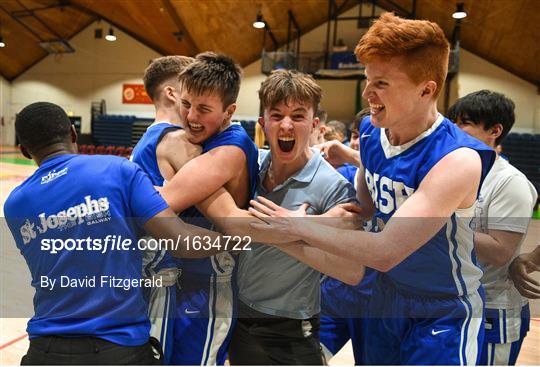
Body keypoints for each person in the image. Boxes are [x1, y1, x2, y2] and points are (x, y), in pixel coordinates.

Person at [249, 12, 496, 365]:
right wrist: (312, 220)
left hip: (440, 308)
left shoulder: (458, 160)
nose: (367, 93)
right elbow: (363, 211)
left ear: (426, 89)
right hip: (381, 298)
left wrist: (294, 227)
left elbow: (386, 250)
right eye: (367, 79)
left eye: (381, 83)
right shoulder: (370, 132)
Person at [3, 102, 234, 365]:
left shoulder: (14, 205)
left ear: (23, 150)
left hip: (45, 350)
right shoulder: (117, 171)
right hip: (119, 347)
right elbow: (181, 242)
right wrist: (237, 240)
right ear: (73, 133)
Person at [225, 69, 363, 365]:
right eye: (276, 115)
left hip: (293, 327)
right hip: (240, 318)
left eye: (298, 116)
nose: (286, 125)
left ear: (314, 124)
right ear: (263, 123)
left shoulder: (333, 185)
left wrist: (291, 231)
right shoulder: (250, 167)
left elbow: (352, 272)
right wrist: (289, 230)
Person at [156, 52, 260, 365]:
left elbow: (159, 204)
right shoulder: (194, 140)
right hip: (180, 276)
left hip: (210, 282)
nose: (191, 116)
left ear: (229, 111)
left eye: (204, 109)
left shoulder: (228, 150)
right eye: (186, 104)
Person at [448, 90, 538, 365]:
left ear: (495, 130)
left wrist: (439, 224)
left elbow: (500, 252)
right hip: (456, 303)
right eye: (453, 123)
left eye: (464, 123)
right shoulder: (455, 171)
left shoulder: (510, 182)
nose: (454, 130)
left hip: (494, 308)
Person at [131, 55, 200, 364]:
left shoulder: (144, 140)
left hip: (144, 274)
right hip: (165, 276)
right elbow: (224, 205)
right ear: (173, 93)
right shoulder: (174, 140)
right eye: (193, 86)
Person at [318, 107, 374, 364]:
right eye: (353, 135)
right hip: (337, 287)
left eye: (365, 137)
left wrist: (349, 154)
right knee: (312, 356)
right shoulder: (342, 175)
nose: (357, 141)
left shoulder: (400, 176)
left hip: (378, 294)